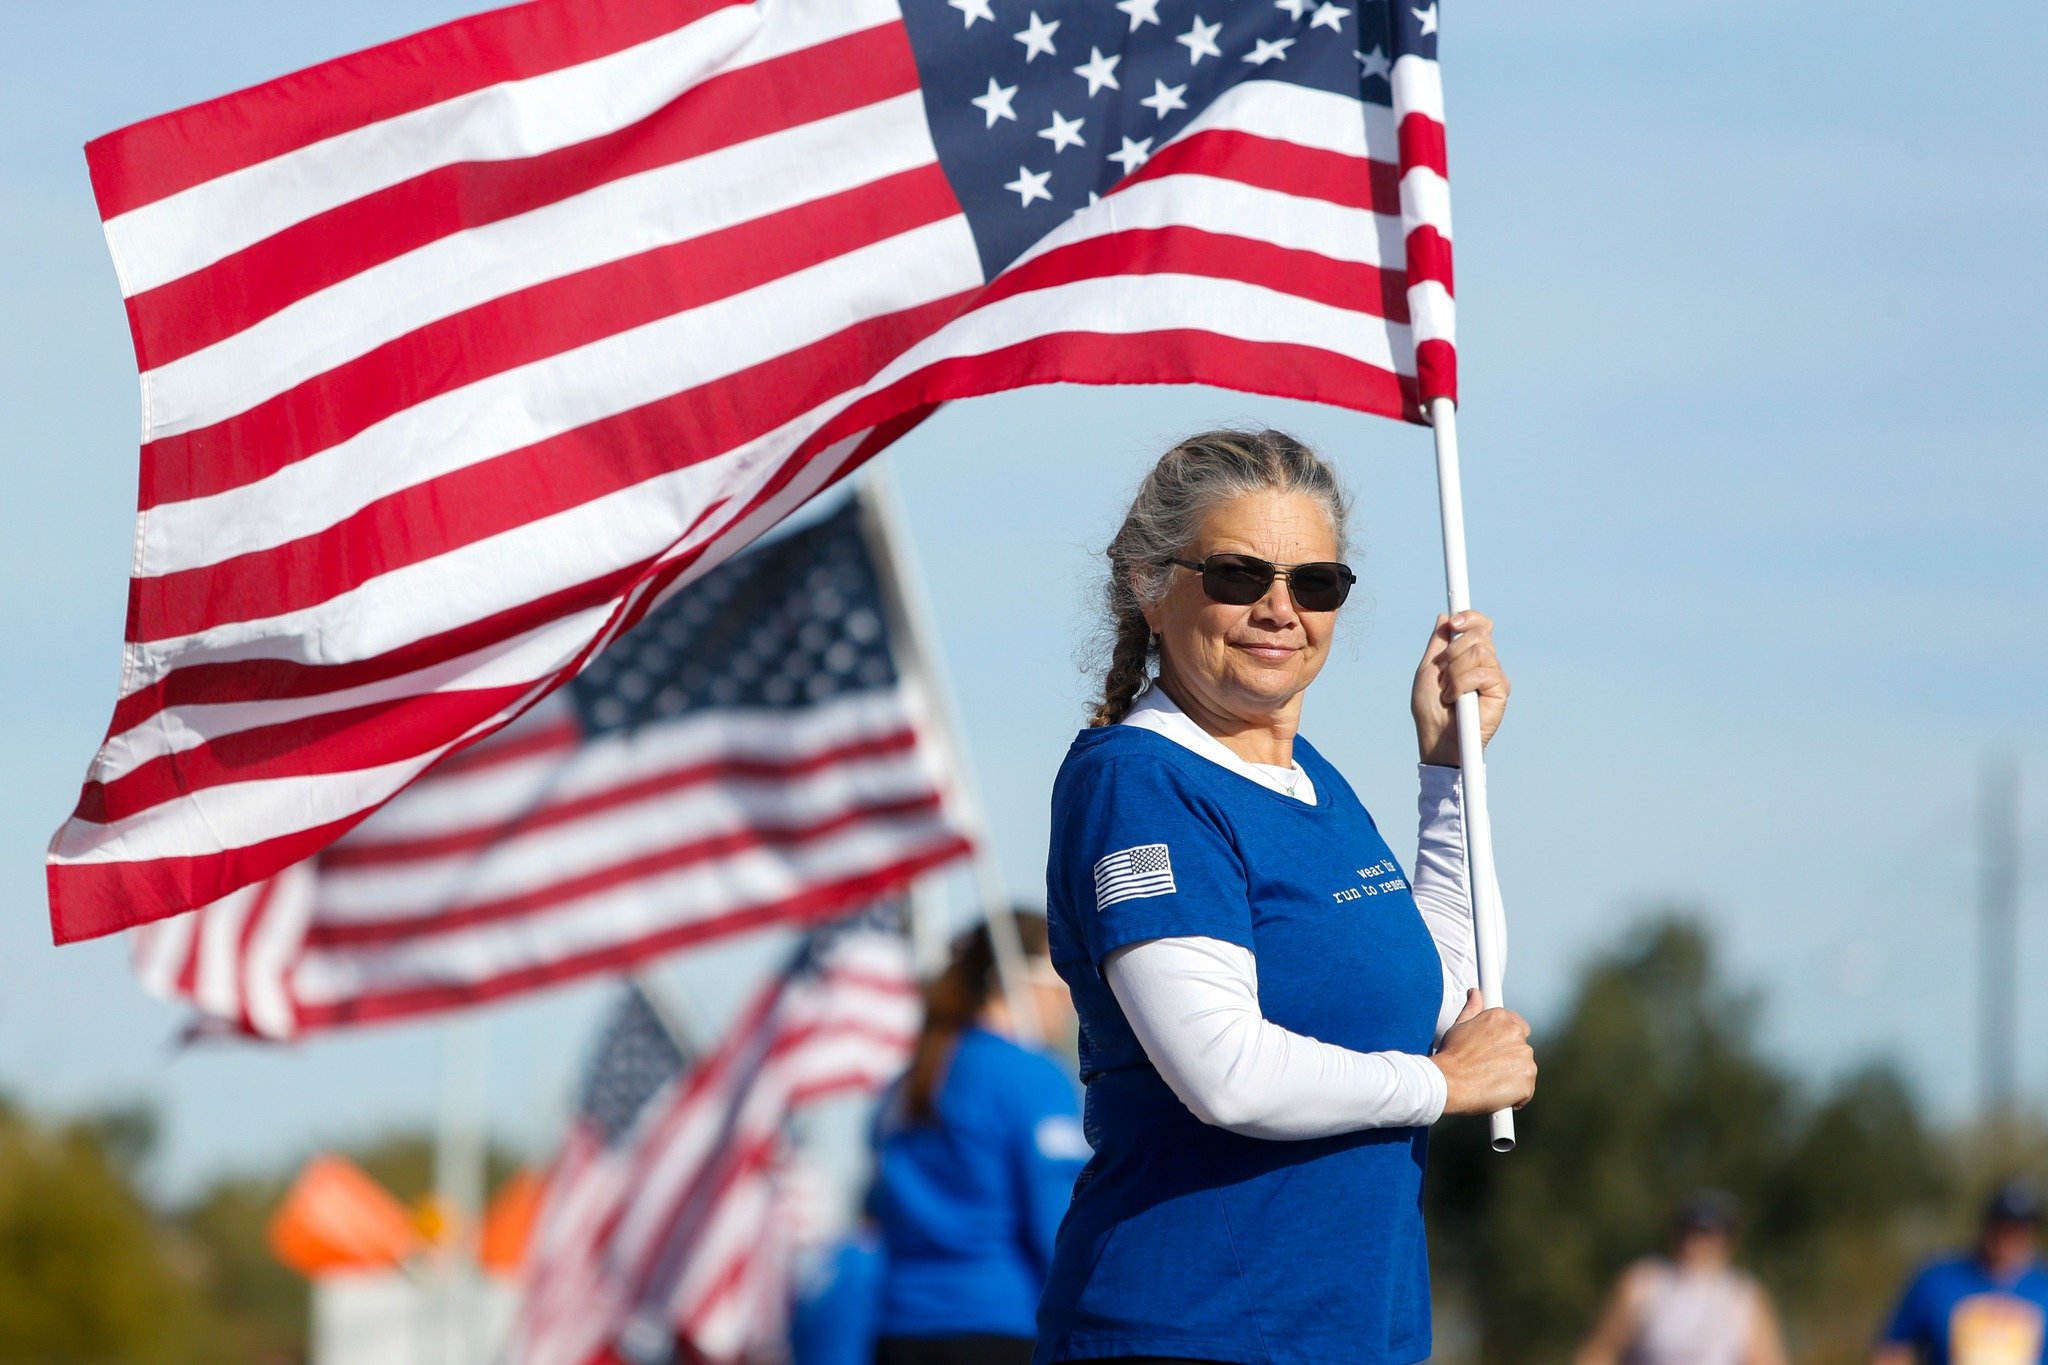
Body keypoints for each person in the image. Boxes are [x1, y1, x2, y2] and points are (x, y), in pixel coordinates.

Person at [1035, 428, 1538, 1365]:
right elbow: (1225, 1071)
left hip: (1357, 1333)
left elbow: (1447, 999)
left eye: (1314, 583)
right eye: (1236, 575)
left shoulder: (1316, 782)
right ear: (1151, 585)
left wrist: (1448, 773)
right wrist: (1443, 1085)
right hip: (1188, 1331)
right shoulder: (1138, 780)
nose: (1279, 609)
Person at [869, 914, 1087, 1365]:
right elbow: (1058, 1226)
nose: (1071, 999)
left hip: (899, 1332)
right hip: (1001, 1330)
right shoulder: (1032, 1076)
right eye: (1065, 974)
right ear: (1021, 981)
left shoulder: (907, 1083)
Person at [1575, 1191, 1788, 1365]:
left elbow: (1766, 1358)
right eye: (1690, 1232)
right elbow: (1600, 1350)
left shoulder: (1744, 1294)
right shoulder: (1644, 1281)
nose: (1696, 1244)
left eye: (1708, 1235)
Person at [1876, 1180, 2048, 1365]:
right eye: (2000, 1225)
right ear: (1985, 1223)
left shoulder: (2043, 1285)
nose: (2006, 1236)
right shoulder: (1937, 1280)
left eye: (2016, 1228)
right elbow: (1893, 1350)